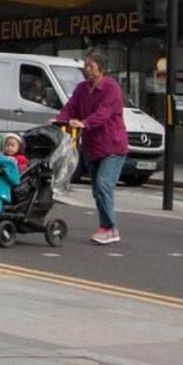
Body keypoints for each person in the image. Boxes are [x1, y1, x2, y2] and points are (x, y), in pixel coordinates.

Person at [57, 51, 129, 245]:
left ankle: (108, 227)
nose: (86, 69)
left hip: (113, 146)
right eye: (85, 65)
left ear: (101, 69)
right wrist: (59, 119)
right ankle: (108, 228)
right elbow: (70, 107)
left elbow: (103, 113)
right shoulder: (82, 88)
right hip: (92, 146)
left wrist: (84, 123)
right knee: (97, 190)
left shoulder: (111, 88)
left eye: (90, 65)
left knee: (104, 184)